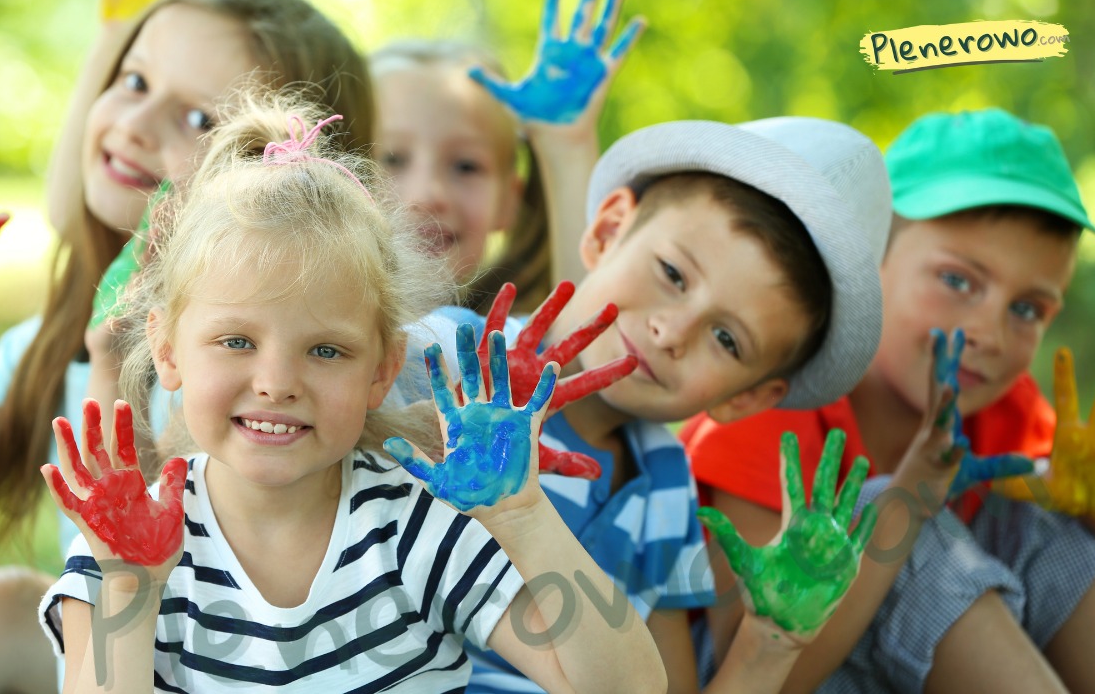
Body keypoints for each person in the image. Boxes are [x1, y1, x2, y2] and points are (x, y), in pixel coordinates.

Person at [0, 0, 373, 693]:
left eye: (199, 116)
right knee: (9, 606)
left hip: (240, 666)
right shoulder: (51, 347)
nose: (137, 123)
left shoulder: (278, 382)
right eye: (133, 79)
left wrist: (115, 367)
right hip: (105, 662)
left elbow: (185, 579)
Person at [37, 96, 667, 692]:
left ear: (381, 370)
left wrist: (523, 518)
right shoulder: (126, 545)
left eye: (325, 351)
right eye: (235, 341)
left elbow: (630, 685)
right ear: (168, 350)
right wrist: (131, 587)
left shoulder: (413, 526)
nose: (277, 383)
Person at [398, 113, 894, 693]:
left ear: (750, 397)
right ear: (607, 231)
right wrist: (427, 416)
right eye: (673, 274)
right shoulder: (450, 359)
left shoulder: (666, 488)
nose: (671, 331)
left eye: (728, 339)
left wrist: (772, 642)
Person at [682, 108, 1095, 693]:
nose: (990, 333)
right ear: (868, 259)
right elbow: (754, 671)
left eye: (1026, 309)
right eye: (957, 281)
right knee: (888, 514)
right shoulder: (775, 401)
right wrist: (907, 500)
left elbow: (1060, 568)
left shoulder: (1005, 411)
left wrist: (1089, 511)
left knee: (1041, 526)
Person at [371, 0, 643, 312]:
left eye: (466, 166)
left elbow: (585, 335)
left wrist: (565, 146)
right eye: (392, 158)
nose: (426, 195)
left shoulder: (508, 344)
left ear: (509, 201)